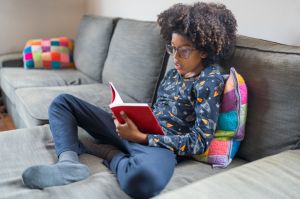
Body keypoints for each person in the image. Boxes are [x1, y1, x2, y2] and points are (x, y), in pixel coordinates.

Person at [22, 2, 237, 199]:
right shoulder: (173, 74)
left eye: (184, 51)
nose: (175, 57)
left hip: (161, 147)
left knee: (143, 182)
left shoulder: (209, 81)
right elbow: (157, 110)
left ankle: (110, 153)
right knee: (62, 103)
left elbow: (199, 142)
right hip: (136, 131)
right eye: (172, 48)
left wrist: (143, 138)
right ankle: (68, 163)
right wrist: (127, 117)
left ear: (205, 51)